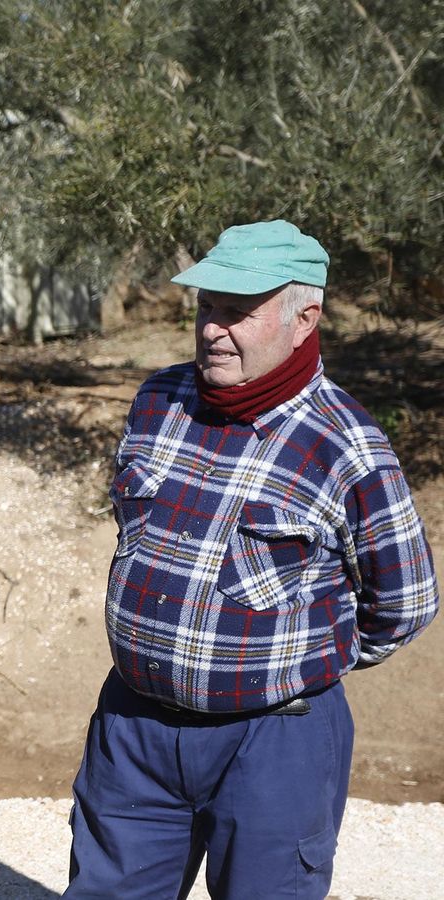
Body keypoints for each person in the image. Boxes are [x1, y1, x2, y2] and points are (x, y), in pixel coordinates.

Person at [65, 220, 439, 899]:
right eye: (207, 307)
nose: (212, 328)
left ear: (305, 319)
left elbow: (406, 604)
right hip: (134, 731)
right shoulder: (159, 400)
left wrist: (302, 660)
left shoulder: (348, 447)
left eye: (238, 313)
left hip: (276, 743)